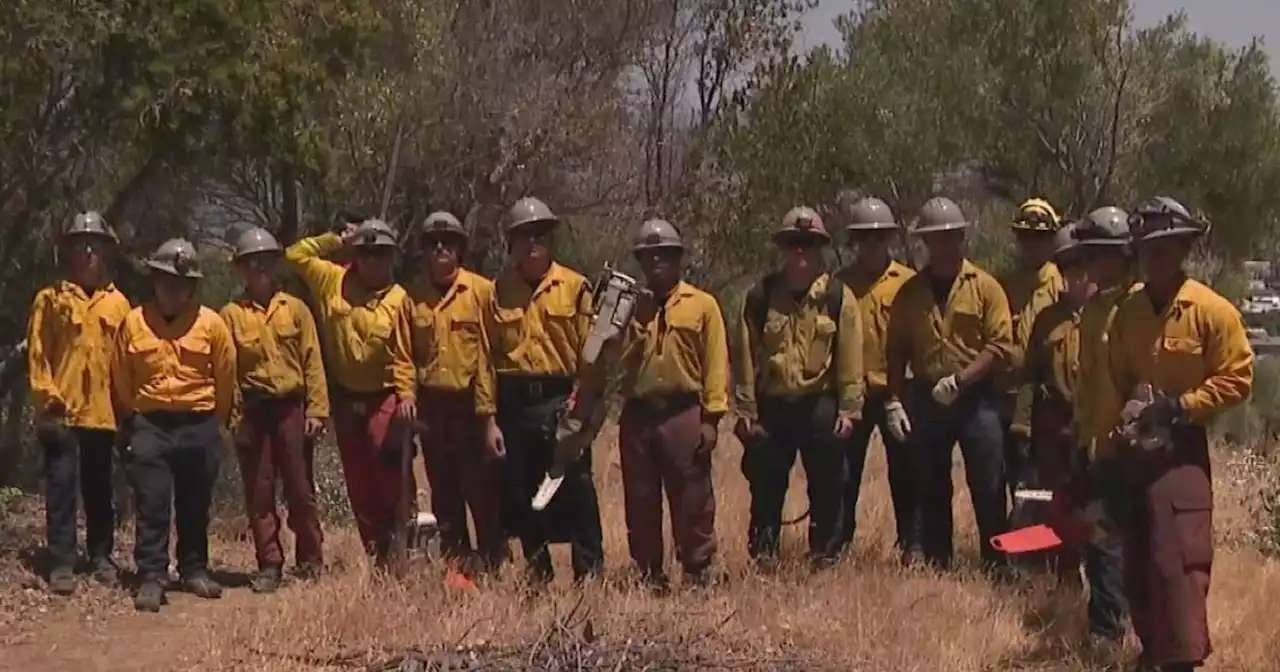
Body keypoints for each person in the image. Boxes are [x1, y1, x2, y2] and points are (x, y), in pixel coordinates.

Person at [1106, 197, 1253, 672]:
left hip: (1183, 451)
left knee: (1181, 564)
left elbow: (1238, 378)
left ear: (1183, 248)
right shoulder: (1127, 311)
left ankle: (1182, 661)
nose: (1156, 257)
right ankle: (1153, 653)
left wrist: (1182, 407)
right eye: (1147, 248)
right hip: (1135, 449)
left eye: (1166, 247)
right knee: (1138, 558)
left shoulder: (1211, 310)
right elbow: (1115, 376)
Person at [474, 196, 605, 586]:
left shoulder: (575, 287)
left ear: (551, 240)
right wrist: (489, 421)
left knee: (577, 486)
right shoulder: (496, 292)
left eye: (540, 235)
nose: (533, 243)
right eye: (524, 236)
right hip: (514, 403)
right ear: (511, 243)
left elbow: (594, 353)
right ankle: (537, 573)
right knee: (523, 491)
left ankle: (589, 573)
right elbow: (485, 357)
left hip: (561, 400)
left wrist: (585, 403)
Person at [885, 197, 1012, 573]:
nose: (943, 245)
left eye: (950, 237)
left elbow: (1001, 344)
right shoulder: (909, 293)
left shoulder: (986, 287)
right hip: (926, 396)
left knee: (989, 482)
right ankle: (939, 561)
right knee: (930, 482)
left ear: (961, 238)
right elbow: (896, 350)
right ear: (926, 242)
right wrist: (894, 400)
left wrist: (962, 379)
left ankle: (996, 563)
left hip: (977, 397)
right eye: (935, 239)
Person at [734, 206, 864, 570]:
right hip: (774, 406)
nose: (801, 252)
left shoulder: (838, 297)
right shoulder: (761, 296)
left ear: (820, 247)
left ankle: (824, 555)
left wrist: (849, 409)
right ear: (782, 248)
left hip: (820, 404)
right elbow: (745, 355)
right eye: (793, 244)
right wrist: (746, 410)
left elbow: (851, 355)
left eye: (808, 244)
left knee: (827, 485)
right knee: (766, 484)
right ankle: (764, 556)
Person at [112, 238, 237, 612]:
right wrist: (131, 420)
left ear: (192, 287)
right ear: (154, 280)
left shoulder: (212, 324)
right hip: (150, 424)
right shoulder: (133, 322)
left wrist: (217, 423)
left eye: (181, 284)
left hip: (198, 422)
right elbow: (120, 374)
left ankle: (194, 568)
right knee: (152, 502)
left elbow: (226, 376)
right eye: (166, 280)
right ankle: (151, 575)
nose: (172, 289)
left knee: (195, 502)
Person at [284, 218, 416, 566]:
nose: (374, 262)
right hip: (346, 399)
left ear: (393, 258)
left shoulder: (400, 299)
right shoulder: (332, 281)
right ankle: (378, 557)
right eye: (367, 254)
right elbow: (295, 256)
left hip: (385, 399)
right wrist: (336, 238)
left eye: (382, 255)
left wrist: (406, 397)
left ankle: (408, 550)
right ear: (356, 255)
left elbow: (405, 355)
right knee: (359, 484)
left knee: (392, 480)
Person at [615, 219, 729, 590]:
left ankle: (697, 570)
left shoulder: (702, 305)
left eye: (664, 255)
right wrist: (634, 322)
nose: (656, 262)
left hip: (683, 412)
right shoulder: (627, 307)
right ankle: (649, 574)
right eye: (649, 257)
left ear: (678, 259)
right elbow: (613, 363)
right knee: (641, 498)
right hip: (638, 414)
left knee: (693, 494)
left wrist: (711, 419)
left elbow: (715, 364)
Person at [26, 211, 131, 595]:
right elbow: (38, 354)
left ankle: (101, 556)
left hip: (104, 414)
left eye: (96, 245)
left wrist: (128, 409)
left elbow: (126, 360)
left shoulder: (119, 305)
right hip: (63, 413)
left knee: (100, 488)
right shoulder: (50, 300)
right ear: (67, 251)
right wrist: (48, 398)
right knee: (61, 488)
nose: (88, 251)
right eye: (80, 244)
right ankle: (62, 562)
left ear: (107, 252)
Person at [220, 227, 329, 593]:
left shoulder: (296, 309)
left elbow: (312, 359)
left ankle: (311, 560)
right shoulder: (230, 315)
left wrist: (317, 409)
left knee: (300, 488)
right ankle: (269, 563)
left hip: (290, 408)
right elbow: (227, 369)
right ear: (241, 269)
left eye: (265, 261)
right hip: (253, 411)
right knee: (260, 490)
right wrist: (233, 418)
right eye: (251, 263)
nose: (259, 268)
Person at [404, 211, 505, 578]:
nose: (440, 249)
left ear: (460, 249)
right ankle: (458, 567)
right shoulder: (412, 298)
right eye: (432, 243)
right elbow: (405, 356)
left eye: (448, 242)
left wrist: (490, 417)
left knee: (482, 489)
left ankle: (494, 562)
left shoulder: (481, 291)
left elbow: (491, 356)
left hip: (471, 407)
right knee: (443, 488)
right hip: (432, 407)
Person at [834, 197, 917, 559]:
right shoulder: (839, 284)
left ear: (890, 239)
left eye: (879, 237)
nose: (872, 245)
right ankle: (838, 544)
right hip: (854, 393)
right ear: (855, 242)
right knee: (844, 473)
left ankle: (913, 545)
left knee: (907, 471)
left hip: (898, 392)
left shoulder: (909, 282)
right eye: (864, 239)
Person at [1009, 223, 1093, 578]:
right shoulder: (1047, 320)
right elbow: (1030, 374)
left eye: (1083, 264)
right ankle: (1063, 571)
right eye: (1069, 266)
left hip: (1097, 427)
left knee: (1097, 507)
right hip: (1053, 425)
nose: (1078, 274)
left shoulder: (1114, 316)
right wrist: (1022, 425)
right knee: (1057, 503)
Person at [1071, 206, 1137, 650]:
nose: (1090, 261)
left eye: (1100, 252)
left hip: (1126, 447)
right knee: (1096, 538)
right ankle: (1106, 624)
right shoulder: (1094, 307)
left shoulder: (1138, 305)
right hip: (1091, 442)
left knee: (1115, 542)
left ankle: (1110, 630)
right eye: (1087, 252)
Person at [999, 198, 1065, 495]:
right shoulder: (1004, 286)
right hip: (1004, 397)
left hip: (1046, 404)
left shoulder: (1062, 285)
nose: (1031, 244)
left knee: (1042, 483)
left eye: (1039, 237)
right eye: (1025, 236)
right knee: (1007, 478)